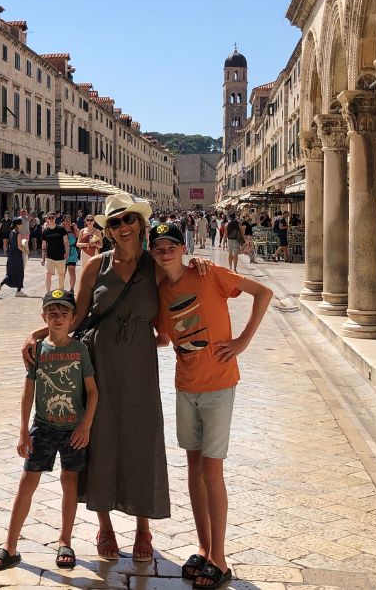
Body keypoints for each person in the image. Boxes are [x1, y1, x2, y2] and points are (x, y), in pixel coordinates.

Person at [22, 193, 212, 563]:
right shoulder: (95, 266)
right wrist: (37, 334)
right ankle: (104, 525)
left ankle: (144, 527)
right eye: (116, 223)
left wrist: (199, 262)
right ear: (107, 230)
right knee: (100, 440)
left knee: (142, 439)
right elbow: (74, 319)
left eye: (129, 220)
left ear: (140, 224)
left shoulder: (154, 266)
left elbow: (182, 285)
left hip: (140, 365)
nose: (123, 227)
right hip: (99, 362)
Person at [150, 221, 272, 589]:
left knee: (212, 471)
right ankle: (204, 549)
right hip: (185, 385)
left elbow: (263, 292)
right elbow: (162, 337)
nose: (166, 251)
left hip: (218, 384)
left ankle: (220, 558)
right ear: (154, 255)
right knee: (193, 468)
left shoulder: (210, 272)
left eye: (172, 245)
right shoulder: (160, 294)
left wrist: (242, 342)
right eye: (159, 247)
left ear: (184, 248)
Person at [0, 289, 98, 572]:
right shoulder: (38, 350)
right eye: (52, 313)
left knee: (69, 482)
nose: (58, 318)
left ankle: (65, 541)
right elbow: (28, 392)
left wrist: (86, 425)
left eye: (64, 313)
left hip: (73, 428)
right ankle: (10, 545)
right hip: (44, 427)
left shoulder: (80, 350)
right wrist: (23, 430)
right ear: (44, 317)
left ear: (73, 318)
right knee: (27, 481)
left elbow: (93, 392)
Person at [0, 218, 29, 298]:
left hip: (11, 255)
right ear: (17, 225)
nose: (22, 225)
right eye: (21, 224)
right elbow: (19, 246)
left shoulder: (11, 233)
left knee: (10, 273)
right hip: (17, 255)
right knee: (20, 273)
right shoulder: (18, 234)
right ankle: (18, 291)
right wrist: (26, 250)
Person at [40, 212, 68, 291]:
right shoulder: (45, 231)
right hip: (50, 256)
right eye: (49, 218)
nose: (51, 219)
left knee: (61, 274)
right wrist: (43, 258)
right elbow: (44, 245)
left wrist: (67, 252)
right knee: (48, 274)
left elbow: (66, 242)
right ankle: (47, 292)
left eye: (53, 217)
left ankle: (61, 291)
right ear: (47, 219)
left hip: (60, 255)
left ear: (55, 218)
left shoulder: (61, 229)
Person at [63, 215, 80, 292]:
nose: (68, 222)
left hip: (72, 251)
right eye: (66, 220)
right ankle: (61, 287)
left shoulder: (73, 229)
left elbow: (80, 236)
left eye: (69, 220)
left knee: (72, 270)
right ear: (63, 221)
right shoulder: (61, 229)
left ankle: (72, 289)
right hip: (62, 251)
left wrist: (76, 227)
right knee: (62, 272)